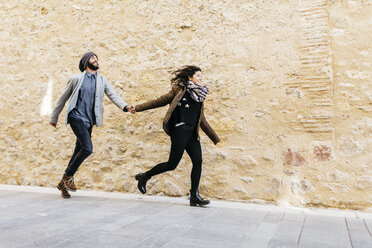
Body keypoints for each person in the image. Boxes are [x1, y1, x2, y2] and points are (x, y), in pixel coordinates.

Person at [49, 51, 133, 199]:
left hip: (89, 121)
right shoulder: (75, 79)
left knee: (78, 150)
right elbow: (62, 99)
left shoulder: (102, 80)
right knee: (87, 148)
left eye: (96, 58)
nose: (96, 59)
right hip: (76, 117)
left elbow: (113, 95)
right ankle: (68, 176)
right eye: (92, 58)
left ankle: (63, 182)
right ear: (86, 62)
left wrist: (125, 107)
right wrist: (54, 117)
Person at [133, 65, 220, 207]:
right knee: (172, 164)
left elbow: (201, 119)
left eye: (201, 76)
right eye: (198, 75)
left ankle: (194, 196)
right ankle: (145, 176)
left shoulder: (200, 96)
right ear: (190, 77)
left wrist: (214, 137)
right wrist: (137, 108)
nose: (201, 78)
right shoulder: (179, 90)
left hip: (192, 134)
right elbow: (160, 101)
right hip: (179, 131)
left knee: (198, 161)